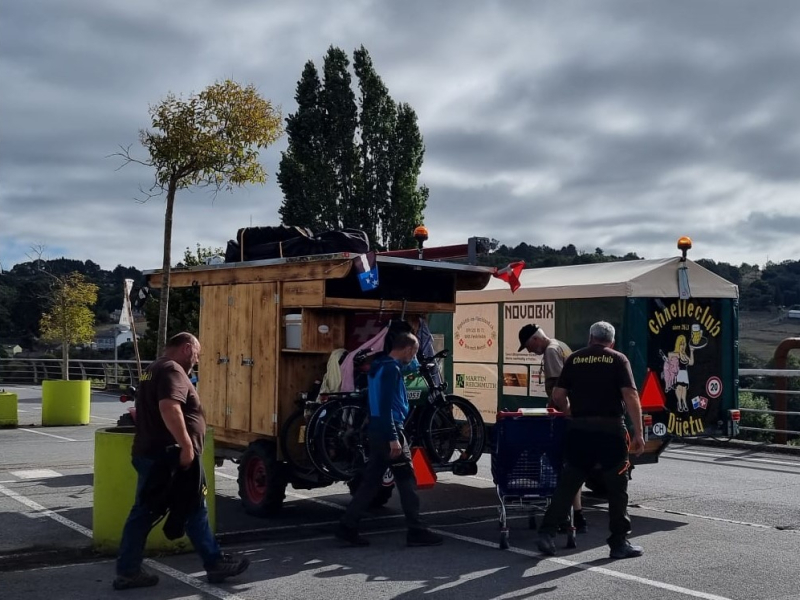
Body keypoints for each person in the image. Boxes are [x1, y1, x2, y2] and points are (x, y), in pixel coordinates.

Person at [114, 332, 250, 590]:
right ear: (187, 348)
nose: (197, 359)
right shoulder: (172, 369)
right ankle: (130, 570)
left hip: (154, 453)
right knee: (159, 510)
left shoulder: (153, 369)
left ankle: (212, 562)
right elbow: (170, 407)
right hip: (170, 456)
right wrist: (187, 446)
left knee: (186, 509)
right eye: (197, 353)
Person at [534, 321, 646, 560]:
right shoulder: (618, 359)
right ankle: (618, 543)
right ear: (611, 342)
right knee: (617, 488)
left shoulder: (574, 359)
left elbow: (558, 394)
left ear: (589, 338)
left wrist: (568, 411)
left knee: (568, 485)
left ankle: (547, 533)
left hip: (579, 431)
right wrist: (639, 432)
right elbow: (630, 394)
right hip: (610, 432)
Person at [336, 331, 443, 548]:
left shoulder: (380, 366)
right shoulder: (391, 370)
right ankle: (416, 530)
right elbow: (385, 406)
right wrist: (394, 438)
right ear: (407, 349)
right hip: (390, 430)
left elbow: (405, 371)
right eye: (413, 352)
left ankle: (347, 526)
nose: (414, 356)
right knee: (407, 481)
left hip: (377, 429)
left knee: (371, 482)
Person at [517, 324, 586, 533]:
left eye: (528, 346)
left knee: (556, 467)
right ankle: (578, 516)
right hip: (576, 413)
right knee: (571, 467)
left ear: (535, 339)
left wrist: (561, 414)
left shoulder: (550, 351)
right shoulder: (561, 345)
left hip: (565, 418)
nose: (529, 351)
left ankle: (563, 517)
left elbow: (558, 391)